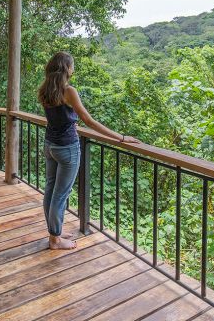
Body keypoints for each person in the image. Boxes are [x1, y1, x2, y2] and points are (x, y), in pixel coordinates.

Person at [38, 52, 140, 250]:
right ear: (66, 68)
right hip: (67, 148)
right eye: (72, 65)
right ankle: (55, 240)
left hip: (50, 145)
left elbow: (58, 117)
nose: (73, 68)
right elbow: (88, 120)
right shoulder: (68, 91)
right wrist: (120, 137)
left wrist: (70, 122)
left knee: (50, 191)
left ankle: (55, 232)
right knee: (60, 195)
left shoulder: (45, 90)